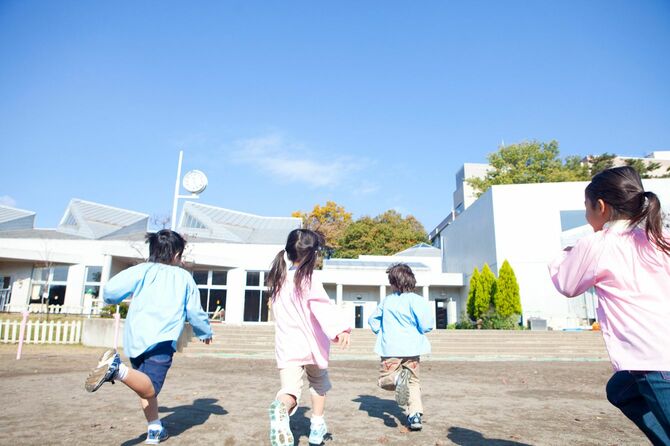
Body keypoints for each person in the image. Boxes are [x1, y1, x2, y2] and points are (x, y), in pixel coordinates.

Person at [548, 166, 670, 445]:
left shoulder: (597, 243)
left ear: (600, 207)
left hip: (654, 359)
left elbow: (568, 284)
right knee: (620, 389)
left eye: (586, 207)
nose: (585, 214)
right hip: (653, 357)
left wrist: (563, 256)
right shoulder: (660, 239)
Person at [84, 230, 213, 445]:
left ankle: (154, 428)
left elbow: (110, 291)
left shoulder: (140, 271)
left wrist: (112, 298)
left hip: (135, 339)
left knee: (144, 388)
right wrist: (204, 331)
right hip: (161, 340)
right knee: (151, 386)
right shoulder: (183, 277)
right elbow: (194, 310)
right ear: (175, 255)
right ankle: (117, 369)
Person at [267, 229, 351, 446]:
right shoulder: (309, 280)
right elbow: (322, 308)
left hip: (287, 346)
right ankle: (316, 427)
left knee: (290, 391)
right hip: (311, 345)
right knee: (318, 383)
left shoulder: (279, 280)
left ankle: (281, 408)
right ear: (312, 255)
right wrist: (340, 329)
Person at [368, 263, 433, 431]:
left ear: (395, 283)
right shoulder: (418, 301)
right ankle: (415, 416)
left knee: (385, 380)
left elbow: (373, 321)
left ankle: (397, 379)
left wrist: (382, 332)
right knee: (413, 382)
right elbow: (426, 325)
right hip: (412, 349)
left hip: (390, 349)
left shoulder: (387, 301)